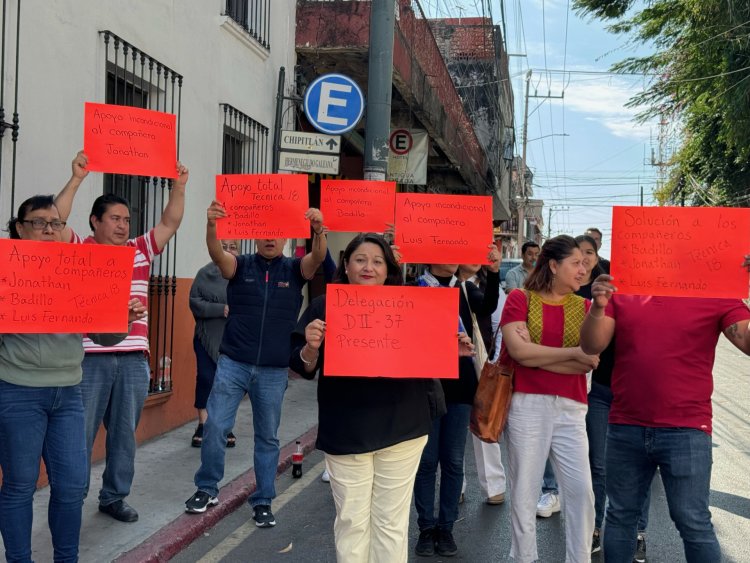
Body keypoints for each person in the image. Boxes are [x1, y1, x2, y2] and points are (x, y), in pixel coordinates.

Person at [288, 233, 469, 563]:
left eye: (377, 261)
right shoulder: (324, 305)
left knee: (391, 524)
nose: (368, 267)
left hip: (403, 428)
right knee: (351, 522)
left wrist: (450, 350)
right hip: (346, 430)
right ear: (346, 264)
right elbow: (303, 367)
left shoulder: (412, 304)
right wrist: (311, 347)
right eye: (360, 259)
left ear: (389, 269)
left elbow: (432, 351)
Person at [0, 195, 144, 563]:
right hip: (18, 392)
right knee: (19, 485)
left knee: (71, 486)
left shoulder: (77, 269)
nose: (49, 230)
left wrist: (122, 322)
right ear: (19, 228)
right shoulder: (6, 272)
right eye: (39, 223)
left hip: (69, 393)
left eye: (56, 223)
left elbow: (102, 336)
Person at [580, 262, 750, 563]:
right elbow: (592, 344)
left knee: (693, 521)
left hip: (687, 429)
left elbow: (747, 341)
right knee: (620, 516)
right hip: (625, 424)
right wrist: (597, 307)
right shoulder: (625, 288)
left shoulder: (717, 291)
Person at [54, 154, 189, 523]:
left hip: (132, 359)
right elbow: (56, 221)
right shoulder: (81, 249)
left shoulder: (140, 251)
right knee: (78, 435)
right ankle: (73, 497)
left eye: (126, 220)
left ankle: (114, 497)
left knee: (123, 437)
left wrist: (178, 186)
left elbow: (170, 221)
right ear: (94, 221)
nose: (122, 225)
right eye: (114, 218)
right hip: (89, 356)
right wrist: (77, 179)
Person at [185, 200, 327, 528]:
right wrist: (211, 225)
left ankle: (263, 500)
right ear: (254, 236)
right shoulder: (240, 265)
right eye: (264, 232)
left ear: (286, 239)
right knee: (216, 426)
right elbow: (216, 253)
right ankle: (206, 488)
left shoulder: (295, 269)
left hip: (273, 370)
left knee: (267, 437)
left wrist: (319, 230)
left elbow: (318, 257)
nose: (270, 238)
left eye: (276, 234)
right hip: (233, 362)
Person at [500, 235, 598, 563]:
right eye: (576, 263)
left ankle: (579, 559)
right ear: (554, 265)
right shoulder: (520, 298)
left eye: (586, 263)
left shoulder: (586, 307)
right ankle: (524, 558)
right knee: (525, 492)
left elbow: (592, 358)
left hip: (572, 406)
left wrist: (537, 354)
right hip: (527, 403)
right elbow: (519, 353)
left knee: (581, 492)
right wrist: (573, 354)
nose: (583, 269)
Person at [413, 244, 501, 558]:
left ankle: (446, 527)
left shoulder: (465, 290)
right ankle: (425, 527)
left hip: (461, 387)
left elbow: (489, 307)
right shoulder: (414, 288)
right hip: (424, 386)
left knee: (452, 461)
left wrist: (492, 272)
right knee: (426, 462)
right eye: (444, 248)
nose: (452, 255)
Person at [574, 234, 652, 557]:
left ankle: (639, 532)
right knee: (600, 465)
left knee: (644, 469)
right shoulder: (606, 296)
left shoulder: (659, 298)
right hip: (603, 393)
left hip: (641, 397)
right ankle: (596, 526)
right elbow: (590, 343)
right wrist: (598, 305)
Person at [456, 263, 507, 506]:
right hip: (449, 365)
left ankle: (494, 484)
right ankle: (456, 485)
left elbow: (501, 327)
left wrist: (494, 363)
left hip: (482, 363)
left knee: (483, 424)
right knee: (451, 432)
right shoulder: (436, 283)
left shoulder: (487, 286)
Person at [189, 239, 240, 448]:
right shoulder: (205, 273)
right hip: (206, 337)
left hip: (234, 339)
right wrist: (220, 309)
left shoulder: (243, 275)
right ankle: (203, 423)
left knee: (228, 383)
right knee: (206, 377)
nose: (228, 250)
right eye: (224, 246)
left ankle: (225, 426)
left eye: (233, 246)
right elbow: (194, 302)